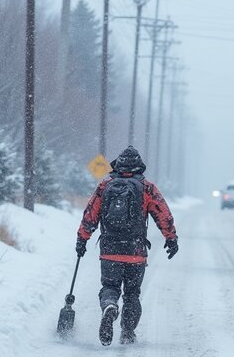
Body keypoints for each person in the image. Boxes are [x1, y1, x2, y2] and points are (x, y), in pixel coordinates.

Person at [75, 146, 178, 346]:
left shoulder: (105, 186)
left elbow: (90, 214)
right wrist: (171, 238)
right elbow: (162, 213)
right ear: (139, 166)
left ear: (118, 164)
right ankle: (128, 333)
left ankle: (110, 306)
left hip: (110, 250)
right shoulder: (147, 187)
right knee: (132, 294)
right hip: (135, 251)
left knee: (110, 287)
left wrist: (82, 239)